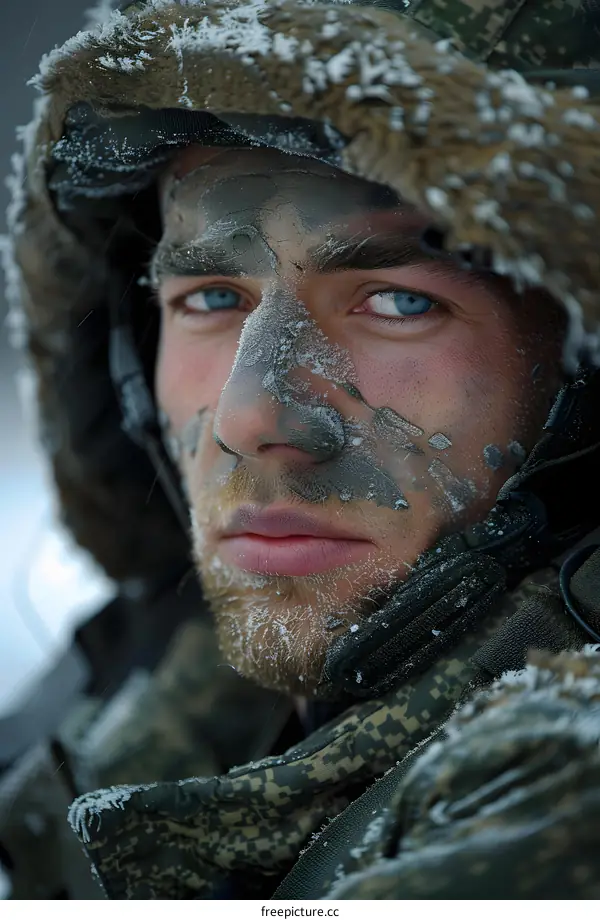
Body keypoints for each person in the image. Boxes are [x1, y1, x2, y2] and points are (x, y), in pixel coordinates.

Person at [5, 0, 600, 900]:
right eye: (209, 298)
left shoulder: (560, 797)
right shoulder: (133, 693)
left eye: (399, 302)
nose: (252, 415)